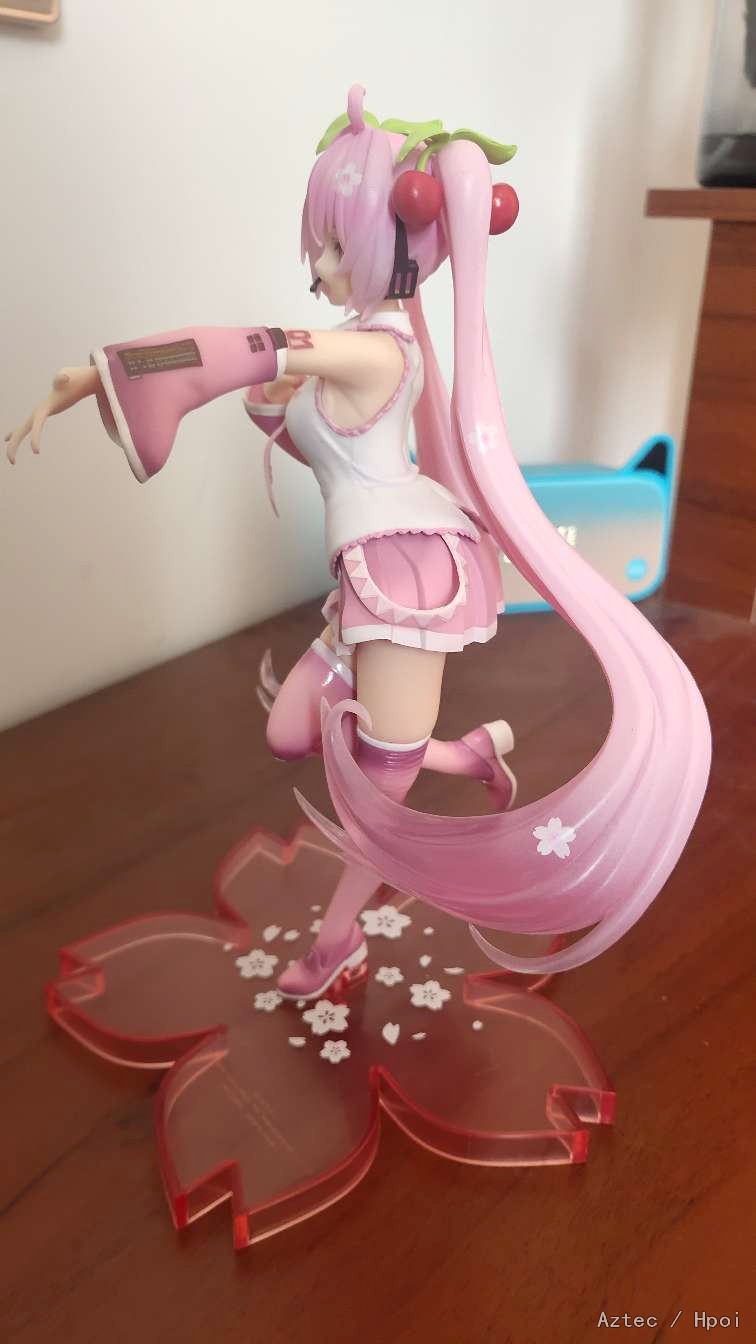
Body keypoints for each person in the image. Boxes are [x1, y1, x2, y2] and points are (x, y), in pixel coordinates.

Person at [5, 85, 711, 1001]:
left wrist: (111, 371)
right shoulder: (350, 344)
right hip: (365, 574)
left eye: (338, 245)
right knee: (291, 732)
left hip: (408, 578)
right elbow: (300, 417)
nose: (319, 264)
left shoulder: (377, 352)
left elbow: (247, 350)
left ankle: (337, 938)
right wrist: (177, 391)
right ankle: (463, 754)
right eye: (321, 244)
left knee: (376, 800)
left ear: (397, 247)